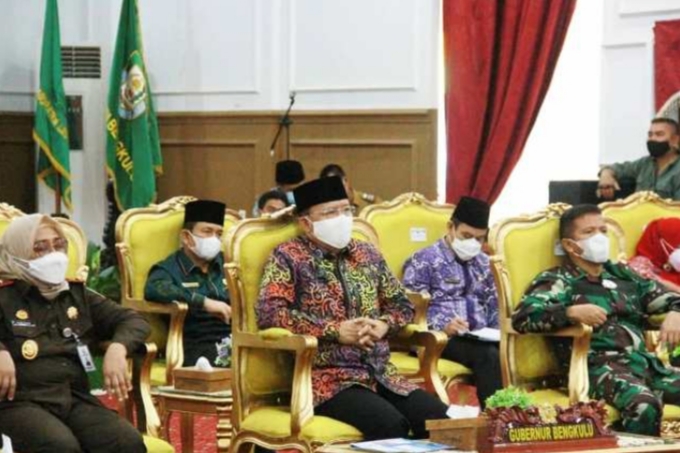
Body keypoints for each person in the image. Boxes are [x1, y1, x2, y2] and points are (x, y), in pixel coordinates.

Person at [257, 176, 448, 439]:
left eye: (346, 210)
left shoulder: (367, 254)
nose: (342, 218)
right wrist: (335, 331)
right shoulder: (288, 257)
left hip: (381, 374)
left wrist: (384, 325)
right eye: (330, 213)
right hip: (325, 380)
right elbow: (270, 314)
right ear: (306, 223)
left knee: (441, 419)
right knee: (390, 425)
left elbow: (402, 304)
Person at [512, 204, 680, 436]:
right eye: (588, 232)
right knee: (644, 405)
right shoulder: (559, 279)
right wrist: (570, 312)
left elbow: (667, 298)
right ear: (570, 245)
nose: (599, 237)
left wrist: (676, 312)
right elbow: (524, 316)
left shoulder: (624, 276)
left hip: (644, 365)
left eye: (602, 230)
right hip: (597, 369)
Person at [0, 214, 150, 452]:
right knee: (60, 446)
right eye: (40, 248)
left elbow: (134, 320)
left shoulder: (77, 295)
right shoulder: (5, 296)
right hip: (18, 401)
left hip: (73, 397)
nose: (53, 254)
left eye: (58, 245)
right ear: (17, 252)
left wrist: (118, 347)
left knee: (125, 441)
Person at [402, 196, 501, 408]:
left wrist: (500, 334)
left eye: (479, 239)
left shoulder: (484, 264)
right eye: (466, 236)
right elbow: (408, 308)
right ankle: (496, 417)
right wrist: (443, 326)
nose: (472, 243)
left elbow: (494, 305)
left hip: (479, 336)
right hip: (437, 338)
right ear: (450, 227)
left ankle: (515, 414)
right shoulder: (424, 260)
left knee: (503, 350)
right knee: (488, 356)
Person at [145, 199, 231, 366]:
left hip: (232, 336)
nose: (214, 239)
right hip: (195, 342)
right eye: (207, 231)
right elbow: (155, 288)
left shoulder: (227, 264)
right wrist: (203, 302)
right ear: (186, 237)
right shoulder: (170, 268)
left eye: (219, 234)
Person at [598, 118, 680, 200]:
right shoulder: (644, 163)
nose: (652, 139)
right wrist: (606, 175)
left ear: (675, 140)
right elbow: (619, 168)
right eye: (650, 135)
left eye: (659, 134)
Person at [628, 217, 680, 293]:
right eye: (678, 246)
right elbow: (649, 283)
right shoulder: (639, 265)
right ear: (660, 243)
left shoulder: (675, 270)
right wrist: (676, 289)